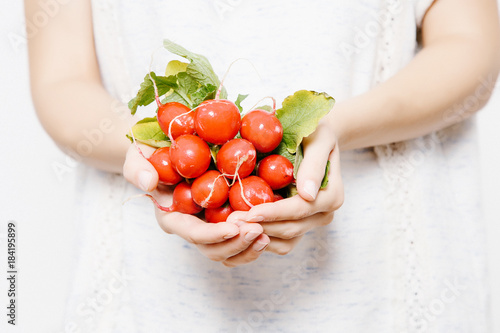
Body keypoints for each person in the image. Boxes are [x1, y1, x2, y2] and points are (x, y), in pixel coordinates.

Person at [25, 0, 500, 331]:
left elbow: (472, 50)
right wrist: (159, 157)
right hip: (148, 289)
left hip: (385, 276)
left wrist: (336, 126)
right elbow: (62, 83)